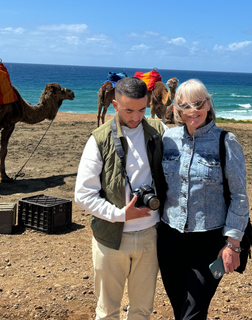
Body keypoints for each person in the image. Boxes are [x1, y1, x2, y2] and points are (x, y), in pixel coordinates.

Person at [75, 76, 167, 320]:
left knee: (142, 311)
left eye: (141, 109)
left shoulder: (159, 132)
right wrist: (120, 215)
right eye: (128, 110)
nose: (136, 117)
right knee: (107, 312)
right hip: (111, 238)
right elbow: (83, 194)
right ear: (114, 105)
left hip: (150, 237)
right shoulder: (99, 139)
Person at [157, 78, 249, 319]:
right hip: (169, 238)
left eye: (198, 103)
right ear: (177, 109)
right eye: (185, 106)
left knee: (193, 313)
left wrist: (233, 245)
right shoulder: (168, 140)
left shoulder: (226, 142)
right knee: (180, 309)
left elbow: (239, 196)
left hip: (208, 242)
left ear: (208, 104)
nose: (193, 111)